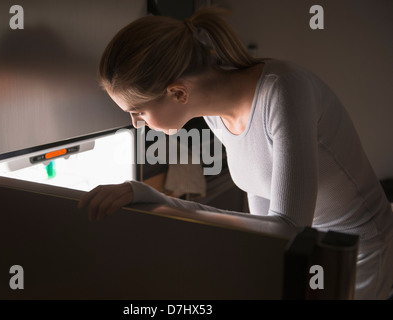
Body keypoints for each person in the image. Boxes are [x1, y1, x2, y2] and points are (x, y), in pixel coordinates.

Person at [78, 6, 393, 299]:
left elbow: (287, 227)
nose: (136, 124)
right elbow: (267, 229)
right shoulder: (216, 113)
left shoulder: (284, 92)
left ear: (177, 92)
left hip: (358, 255)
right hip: (309, 254)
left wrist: (152, 198)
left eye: (137, 112)